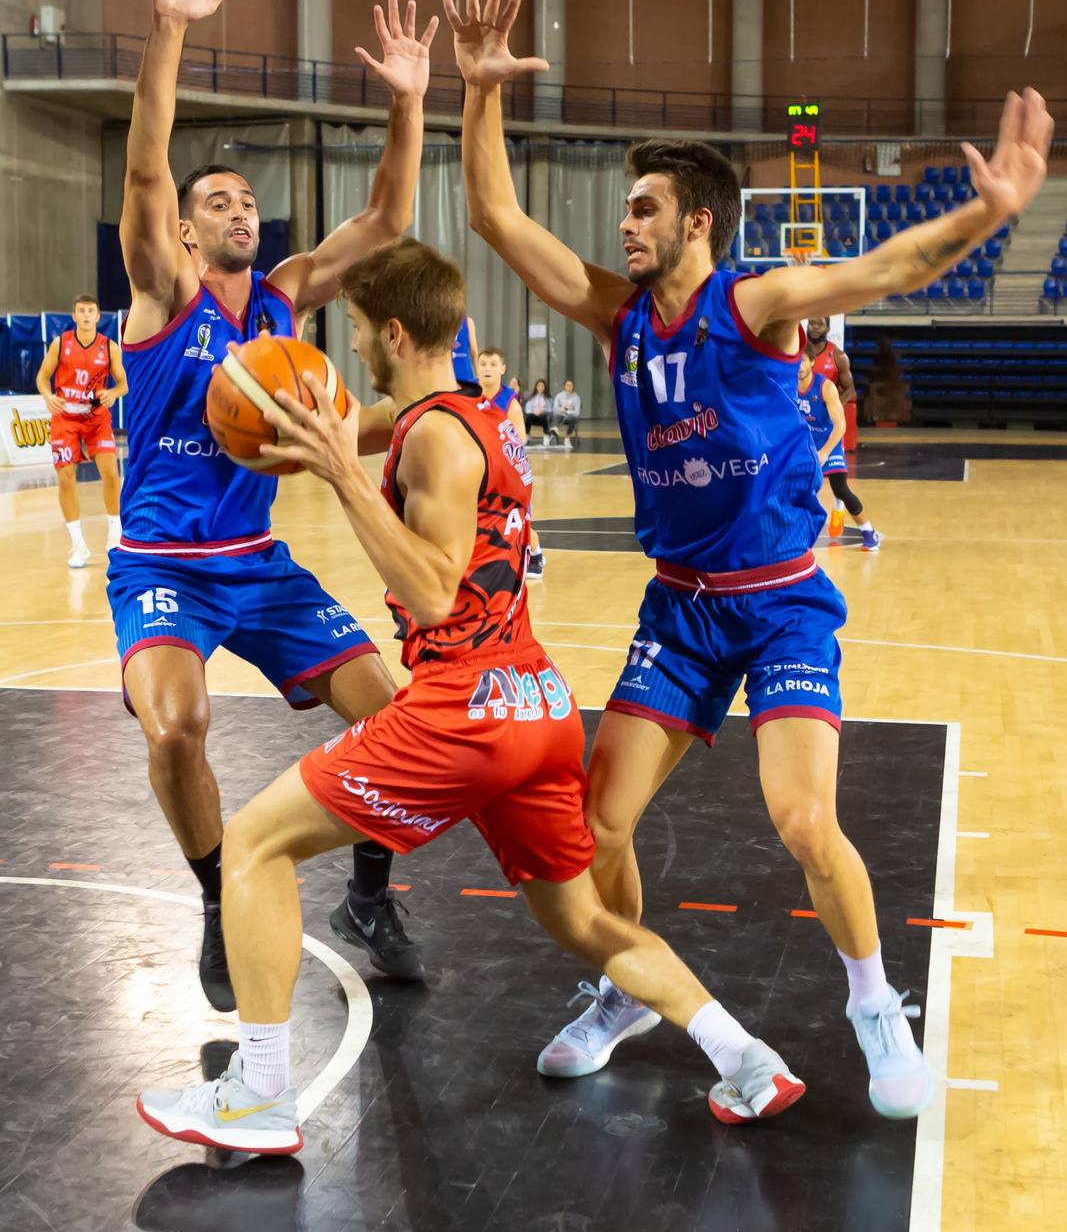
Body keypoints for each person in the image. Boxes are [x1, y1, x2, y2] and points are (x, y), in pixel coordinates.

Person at [448, 0, 1051, 1119]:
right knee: (595, 822)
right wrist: (478, 94)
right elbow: (493, 218)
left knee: (802, 819)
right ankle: (621, 989)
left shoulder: (754, 302)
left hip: (778, 600)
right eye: (623, 209)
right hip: (677, 607)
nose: (622, 225)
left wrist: (986, 213)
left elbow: (880, 271)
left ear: (696, 222)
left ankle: (872, 1004)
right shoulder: (613, 314)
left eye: (641, 209)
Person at [134, 238, 806, 1155]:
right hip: (535, 701)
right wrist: (301, 428)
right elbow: (368, 423)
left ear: (396, 332)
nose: (355, 350)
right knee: (583, 919)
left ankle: (257, 1090)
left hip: (461, 711)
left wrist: (336, 475)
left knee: (252, 844)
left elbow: (434, 592)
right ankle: (747, 1058)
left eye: (362, 332)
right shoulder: (478, 410)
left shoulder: (437, 439)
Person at [110, 0, 437, 1007]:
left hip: (257, 561)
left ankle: (368, 894)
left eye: (247, 201)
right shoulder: (164, 294)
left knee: (390, 715)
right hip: (160, 560)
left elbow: (387, 215)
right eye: (219, 204)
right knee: (175, 730)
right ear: (187, 235)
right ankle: (215, 893)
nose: (238, 210)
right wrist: (169, 27)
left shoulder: (289, 299)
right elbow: (146, 163)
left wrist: (404, 97)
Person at [35, 294, 128, 567]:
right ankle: (78, 546)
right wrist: (47, 395)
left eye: (91, 311)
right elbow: (42, 376)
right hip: (65, 417)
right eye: (81, 311)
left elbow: (123, 384)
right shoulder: (60, 343)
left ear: (99, 316)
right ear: (74, 316)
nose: (86, 315)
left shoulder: (109, 347)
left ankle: (115, 534)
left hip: (97, 416)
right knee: (65, 477)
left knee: (111, 472)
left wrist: (114, 392)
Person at [797, 353, 879, 551]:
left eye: (803, 361)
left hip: (830, 439)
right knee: (795, 488)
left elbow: (841, 424)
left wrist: (825, 451)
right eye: (795, 360)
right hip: (806, 442)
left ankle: (869, 532)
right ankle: (795, 535)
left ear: (812, 362)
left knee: (840, 488)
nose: (798, 365)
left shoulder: (825, 387)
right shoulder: (787, 384)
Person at [477, 345, 545, 579]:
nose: (487, 369)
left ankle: (536, 553)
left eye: (493, 364)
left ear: (502, 369)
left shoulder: (510, 403)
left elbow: (520, 441)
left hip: (510, 470)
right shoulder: (470, 398)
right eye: (483, 364)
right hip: (481, 469)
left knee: (519, 521)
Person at [805, 316, 857, 539]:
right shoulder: (798, 352)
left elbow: (850, 389)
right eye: (811, 323)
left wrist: (833, 406)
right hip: (804, 419)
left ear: (828, 328)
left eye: (820, 324)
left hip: (829, 424)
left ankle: (838, 507)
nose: (815, 327)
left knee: (837, 478)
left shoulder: (838, 356)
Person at [550, 378, 581, 449]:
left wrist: (566, 411)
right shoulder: (559, 396)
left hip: (570, 417)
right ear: (564, 386)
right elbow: (555, 409)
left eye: (571, 385)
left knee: (572, 418)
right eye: (567, 385)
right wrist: (565, 409)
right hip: (560, 416)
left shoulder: (576, 397)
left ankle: (566, 437)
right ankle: (553, 433)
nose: (569, 387)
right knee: (555, 415)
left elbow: (577, 412)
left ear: (573, 386)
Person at [451, 313, 479, 384]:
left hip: (464, 369)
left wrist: (479, 375)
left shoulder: (468, 321)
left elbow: (474, 352)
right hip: (445, 369)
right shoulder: (439, 321)